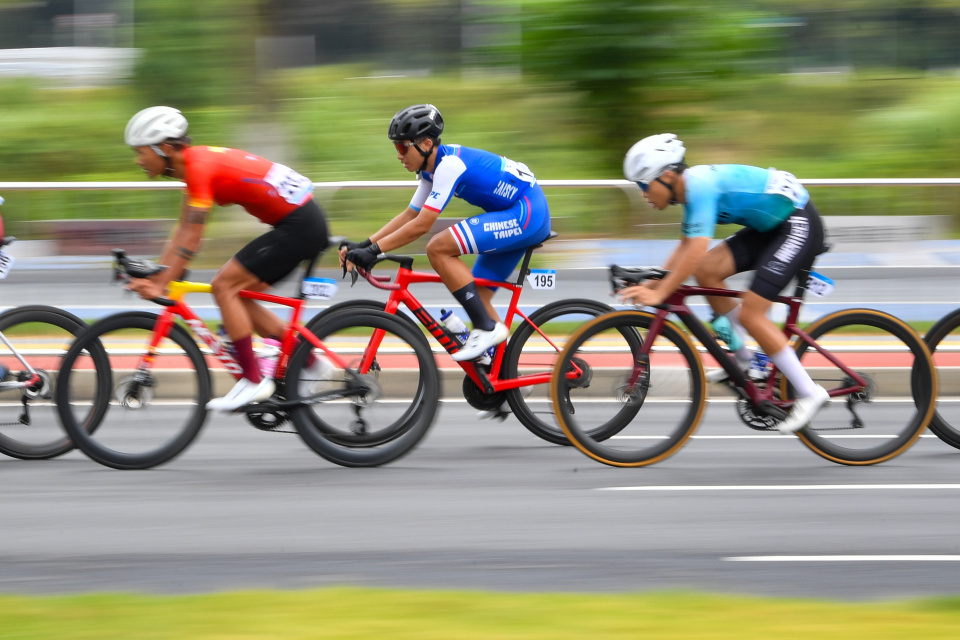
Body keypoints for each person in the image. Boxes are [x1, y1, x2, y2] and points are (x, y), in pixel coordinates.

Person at [620, 133, 829, 435]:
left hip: (796, 223)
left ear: (666, 176)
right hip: (770, 227)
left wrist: (662, 293)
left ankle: (810, 392)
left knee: (751, 314)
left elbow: (693, 251)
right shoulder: (688, 191)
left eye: (643, 185)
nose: (643, 194)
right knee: (707, 271)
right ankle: (746, 359)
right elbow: (686, 246)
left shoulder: (699, 187)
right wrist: (656, 280)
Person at [123, 106, 330, 411]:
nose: (137, 160)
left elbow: (193, 237)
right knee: (239, 296)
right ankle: (310, 362)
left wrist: (162, 283)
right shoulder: (194, 166)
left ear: (164, 148)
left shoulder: (199, 167)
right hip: (298, 223)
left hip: (300, 226)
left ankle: (253, 380)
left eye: (141, 152)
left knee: (224, 286)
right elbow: (181, 230)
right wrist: (159, 275)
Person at [340, 103, 552, 362]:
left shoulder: (449, 165)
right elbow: (410, 215)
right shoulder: (431, 170)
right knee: (479, 299)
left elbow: (422, 226)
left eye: (401, 147)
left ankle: (486, 330)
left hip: (527, 212)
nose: (398, 155)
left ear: (426, 144)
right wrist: (364, 245)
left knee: (438, 247)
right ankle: (502, 378)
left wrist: (374, 252)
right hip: (518, 212)